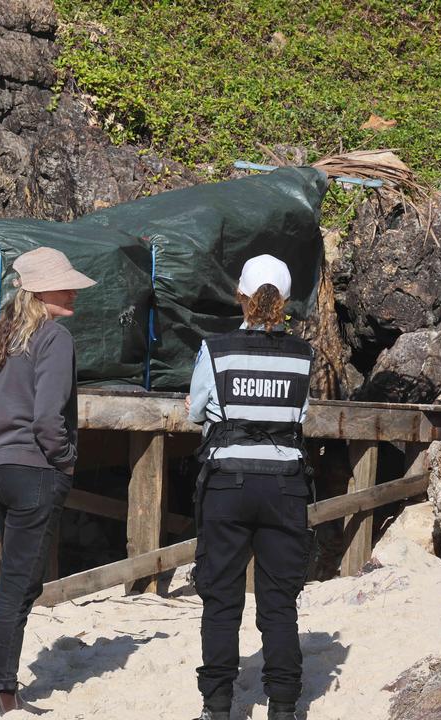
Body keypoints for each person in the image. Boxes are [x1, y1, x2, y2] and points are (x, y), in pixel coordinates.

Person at [186, 254, 314, 720]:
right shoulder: (304, 354)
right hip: (285, 487)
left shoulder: (215, 349)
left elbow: (196, 410)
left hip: (227, 483)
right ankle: (282, 705)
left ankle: (218, 707)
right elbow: (301, 416)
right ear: (286, 302)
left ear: (240, 295)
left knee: (221, 599)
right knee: (279, 602)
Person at [0, 246, 96, 718]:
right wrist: (65, 461)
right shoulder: (55, 337)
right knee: (19, 583)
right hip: (34, 470)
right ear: (43, 291)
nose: (74, 292)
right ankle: (1, 689)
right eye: (66, 284)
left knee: (16, 581)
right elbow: (47, 418)